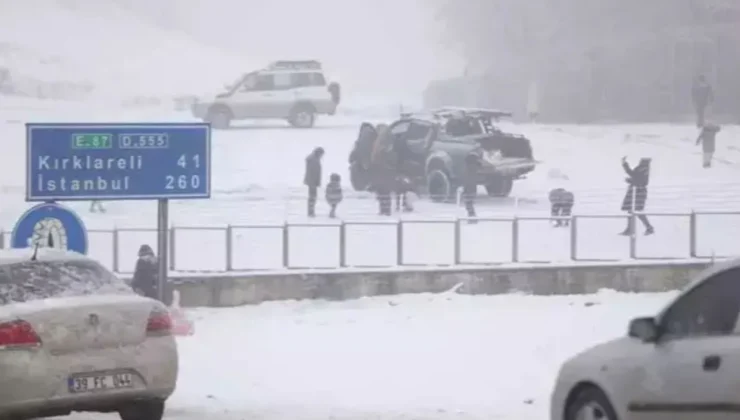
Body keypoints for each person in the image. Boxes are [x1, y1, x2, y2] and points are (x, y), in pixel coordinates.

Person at [620, 157, 654, 236]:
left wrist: (630, 180)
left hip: (638, 192)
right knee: (631, 210)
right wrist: (625, 164)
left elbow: (640, 180)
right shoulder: (642, 169)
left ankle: (648, 228)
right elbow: (633, 175)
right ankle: (631, 229)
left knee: (636, 210)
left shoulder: (644, 169)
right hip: (635, 191)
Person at [303, 147, 324, 217]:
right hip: (312, 181)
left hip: (312, 181)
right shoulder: (313, 160)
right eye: (321, 154)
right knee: (312, 197)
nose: (322, 156)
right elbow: (314, 172)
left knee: (312, 197)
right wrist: (316, 182)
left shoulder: (314, 159)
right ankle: (311, 212)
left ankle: (311, 211)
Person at [462, 153, 479, 221]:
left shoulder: (468, 169)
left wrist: (464, 188)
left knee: (468, 204)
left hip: (468, 189)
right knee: (469, 204)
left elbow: (467, 179)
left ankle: (472, 218)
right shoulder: (474, 168)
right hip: (472, 189)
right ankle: (472, 217)